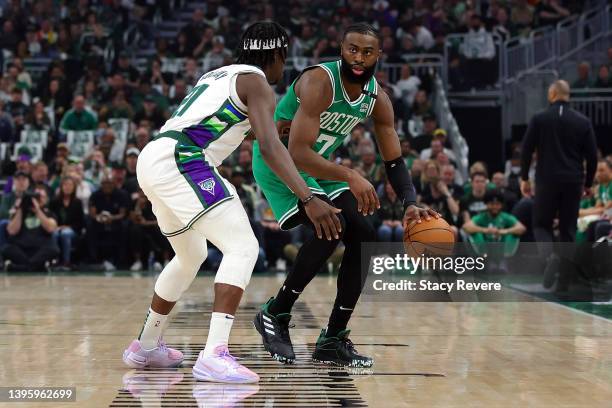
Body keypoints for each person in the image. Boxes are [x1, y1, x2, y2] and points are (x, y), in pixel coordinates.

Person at [122, 22, 341, 384]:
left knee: (189, 255)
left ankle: (144, 346)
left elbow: (231, 124)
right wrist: (309, 196)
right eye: (283, 59)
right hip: (184, 159)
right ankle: (214, 355)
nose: (282, 68)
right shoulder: (258, 82)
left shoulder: (220, 75)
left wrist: (271, 126)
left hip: (156, 157)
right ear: (276, 55)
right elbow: (270, 148)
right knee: (242, 246)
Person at [251, 23, 437, 368]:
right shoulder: (320, 82)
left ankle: (333, 339)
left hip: (319, 168)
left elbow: (393, 158)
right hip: (281, 162)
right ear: (341, 48)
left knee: (365, 234)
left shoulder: (377, 99)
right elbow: (298, 151)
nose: (359, 58)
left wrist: (410, 201)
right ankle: (275, 313)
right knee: (331, 225)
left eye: (367, 52)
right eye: (352, 49)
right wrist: (351, 175)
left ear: (378, 56)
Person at [520, 80, 597, 289]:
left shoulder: (540, 118)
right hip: (573, 180)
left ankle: (550, 257)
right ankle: (563, 282)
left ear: (552, 94)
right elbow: (592, 156)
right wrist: (588, 183)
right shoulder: (583, 121)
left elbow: (526, 150)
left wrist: (524, 178)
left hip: (546, 179)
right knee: (568, 230)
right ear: (568, 95)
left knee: (541, 224)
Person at [463, 189, 526, 268]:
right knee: (475, 233)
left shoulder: (505, 216)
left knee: (514, 234)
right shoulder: (482, 216)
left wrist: (504, 231)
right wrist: (485, 230)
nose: (495, 207)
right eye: (492, 204)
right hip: (486, 248)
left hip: (501, 248)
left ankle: (505, 260)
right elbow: (466, 227)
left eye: (497, 204)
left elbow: (521, 228)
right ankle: (483, 261)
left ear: (501, 205)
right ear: (486, 204)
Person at [2, 184, 59, 271]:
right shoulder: (20, 213)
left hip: (40, 249)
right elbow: (12, 231)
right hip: (21, 248)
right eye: (36, 197)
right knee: (6, 249)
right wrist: (20, 208)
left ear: (46, 199)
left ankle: (19, 268)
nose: (38, 200)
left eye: (41, 197)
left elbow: (50, 228)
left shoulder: (49, 213)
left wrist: (38, 211)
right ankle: (37, 267)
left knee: (54, 249)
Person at [49, 177, 85, 270]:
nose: (67, 187)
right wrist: (57, 226)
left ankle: (66, 262)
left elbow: (81, 222)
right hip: (56, 228)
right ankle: (54, 261)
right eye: (65, 185)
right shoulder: (54, 201)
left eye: (70, 185)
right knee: (55, 234)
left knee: (65, 233)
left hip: (73, 230)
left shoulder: (77, 202)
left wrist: (68, 227)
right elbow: (50, 217)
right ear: (61, 187)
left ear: (74, 187)